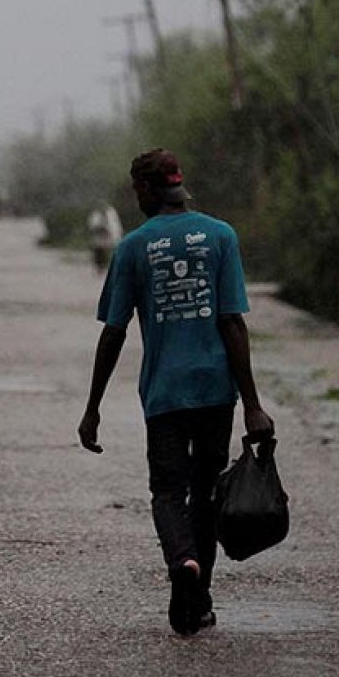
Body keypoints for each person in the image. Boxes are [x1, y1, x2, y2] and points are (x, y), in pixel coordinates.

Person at [78, 148, 275, 636]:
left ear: (145, 190)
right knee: (207, 492)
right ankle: (198, 599)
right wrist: (251, 404)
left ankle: (183, 564)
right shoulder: (221, 236)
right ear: (179, 187)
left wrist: (93, 407)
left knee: (168, 491)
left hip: (165, 394)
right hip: (216, 391)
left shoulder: (133, 248)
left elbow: (114, 332)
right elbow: (232, 322)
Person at [86, 202, 124, 273]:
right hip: (99, 239)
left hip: (111, 237)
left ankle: (111, 267)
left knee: (112, 252)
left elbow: (114, 227)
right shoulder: (96, 215)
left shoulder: (111, 214)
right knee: (99, 253)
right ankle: (100, 267)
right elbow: (93, 226)